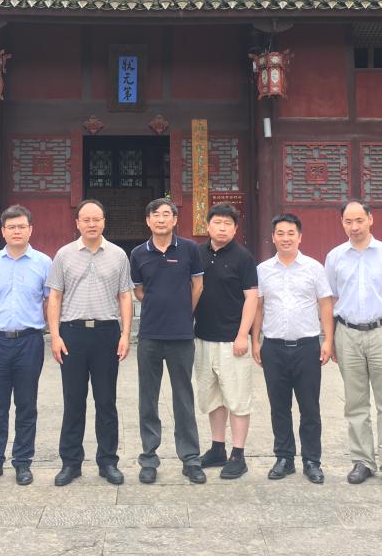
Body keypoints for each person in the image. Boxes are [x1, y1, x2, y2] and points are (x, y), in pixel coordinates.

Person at [325, 200, 382, 488]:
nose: (354, 227)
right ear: (342, 223)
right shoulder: (335, 257)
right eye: (348, 221)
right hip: (347, 333)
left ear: (370, 219)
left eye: (359, 220)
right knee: (355, 403)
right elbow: (329, 300)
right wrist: (330, 339)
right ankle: (362, 460)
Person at [46, 199, 134, 486]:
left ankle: (108, 461)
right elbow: (55, 297)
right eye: (86, 219)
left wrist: (125, 334)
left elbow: (125, 296)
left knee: (106, 401)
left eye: (97, 219)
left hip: (106, 333)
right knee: (73, 401)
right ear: (77, 223)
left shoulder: (118, 255)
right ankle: (71, 463)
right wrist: (55, 335)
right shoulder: (64, 255)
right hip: (72, 333)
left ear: (104, 221)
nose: (92, 224)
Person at [129, 197, 206, 484]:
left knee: (183, 397)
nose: (160, 219)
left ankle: (190, 458)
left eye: (166, 215)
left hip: (181, 335)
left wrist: (184, 311)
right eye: (155, 215)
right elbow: (138, 290)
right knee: (147, 398)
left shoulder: (189, 249)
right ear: (148, 221)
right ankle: (149, 458)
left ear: (174, 220)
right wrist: (157, 305)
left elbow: (198, 285)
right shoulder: (138, 253)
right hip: (150, 335)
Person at [0, 205, 51, 486]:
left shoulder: (44, 262)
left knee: (26, 404)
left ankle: (23, 461)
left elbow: (49, 301)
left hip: (29, 341)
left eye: (21, 226)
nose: (16, 231)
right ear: (3, 231)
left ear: (31, 229)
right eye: (11, 227)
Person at [257, 213, 334, 484]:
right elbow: (258, 307)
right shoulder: (263, 269)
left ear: (300, 237)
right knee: (279, 407)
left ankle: (312, 460)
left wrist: (328, 340)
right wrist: (256, 341)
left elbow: (325, 304)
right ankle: (284, 458)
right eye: (280, 233)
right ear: (273, 237)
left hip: (307, 347)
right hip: (273, 347)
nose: (286, 238)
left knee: (309, 407)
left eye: (291, 233)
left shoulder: (314, 268)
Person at [193, 203, 260, 480]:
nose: (222, 228)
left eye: (228, 224)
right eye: (217, 223)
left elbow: (251, 298)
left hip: (233, 341)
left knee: (238, 398)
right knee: (213, 397)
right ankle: (217, 448)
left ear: (235, 228)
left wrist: (243, 335)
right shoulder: (197, 254)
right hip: (203, 338)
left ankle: (238, 454)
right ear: (207, 225)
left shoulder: (243, 257)